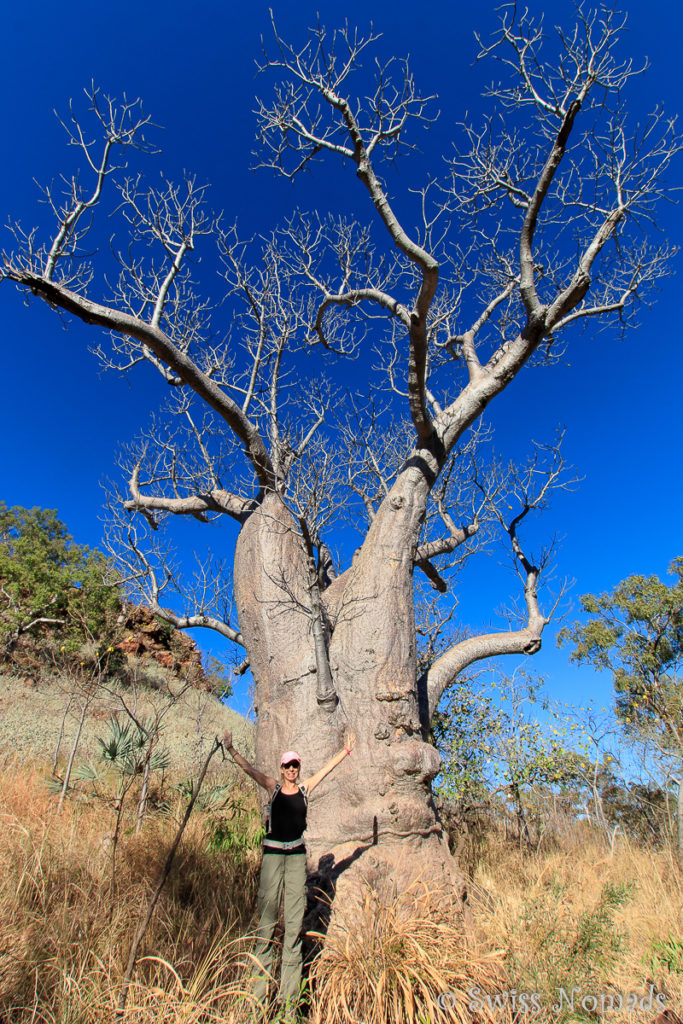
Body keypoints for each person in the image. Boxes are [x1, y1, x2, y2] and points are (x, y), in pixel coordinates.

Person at [222, 729, 355, 1012]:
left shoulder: (306, 789)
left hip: (296, 858)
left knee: (293, 929)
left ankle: (288, 1004)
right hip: (272, 856)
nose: (292, 769)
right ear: (281, 769)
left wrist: (345, 752)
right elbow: (250, 770)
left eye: (295, 765)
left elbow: (326, 771)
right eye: (288, 765)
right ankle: (256, 1001)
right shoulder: (272, 787)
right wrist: (232, 750)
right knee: (266, 926)